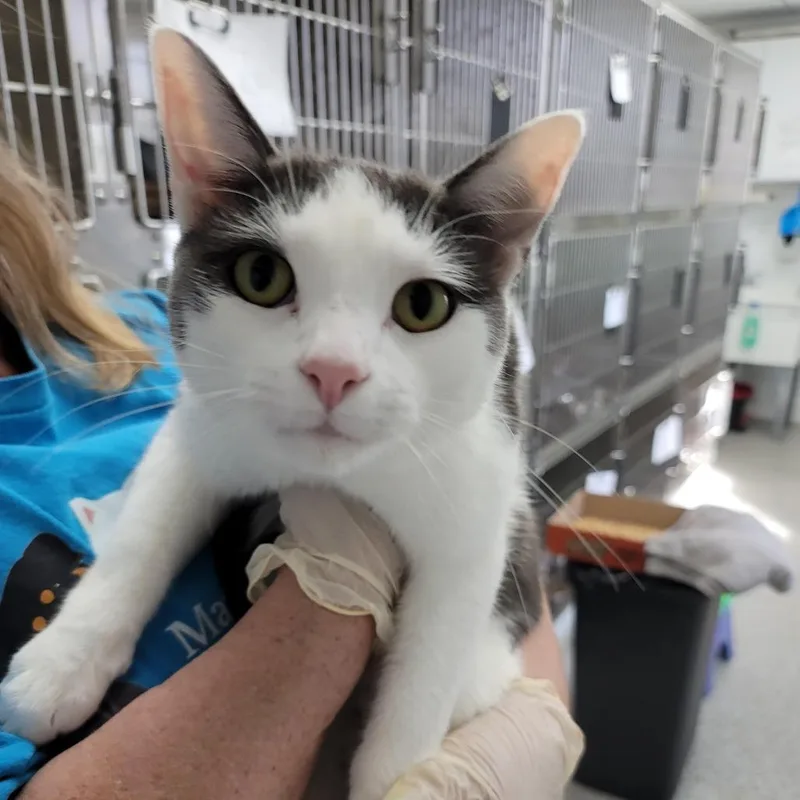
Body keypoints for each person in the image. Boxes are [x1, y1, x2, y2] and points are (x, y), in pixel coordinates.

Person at [0, 143, 582, 799]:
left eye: (419, 302)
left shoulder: (128, 326)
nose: (335, 367)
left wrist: (410, 767)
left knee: (471, 686)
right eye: (265, 277)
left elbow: (481, 563)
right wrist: (97, 625)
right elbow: (194, 442)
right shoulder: (202, 352)